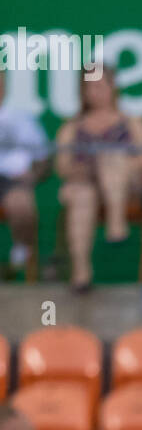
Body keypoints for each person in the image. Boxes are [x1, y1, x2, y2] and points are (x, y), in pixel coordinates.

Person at [53, 67, 142, 291]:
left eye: (100, 86)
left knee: (112, 158)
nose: (95, 92)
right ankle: (81, 273)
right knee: (82, 194)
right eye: (89, 87)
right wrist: (82, 170)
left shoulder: (132, 122)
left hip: (128, 187)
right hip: (85, 186)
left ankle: (116, 222)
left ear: (113, 87)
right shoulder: (72, 126)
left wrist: (112, 162)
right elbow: (62, 166)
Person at [0, 68, 52, 278]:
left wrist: (32, 176)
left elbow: (43, 160)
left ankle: (20, 255)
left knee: (22, 205)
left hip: (13, 180)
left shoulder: (21, 118)